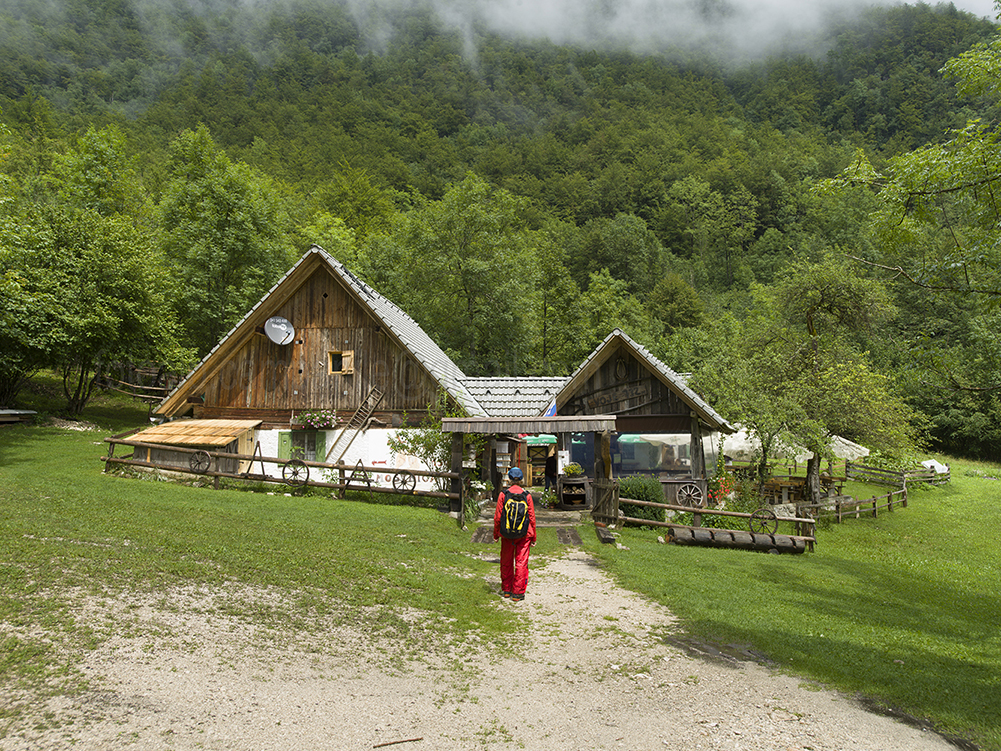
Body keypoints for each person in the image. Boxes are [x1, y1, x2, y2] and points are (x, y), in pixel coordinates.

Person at [493, 466, 536, 601]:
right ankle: (517, 593)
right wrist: (533, 536)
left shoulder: (503, 495)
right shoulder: (527, 495)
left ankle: (506, 589)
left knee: (506, 560)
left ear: (509, 479)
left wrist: (496, 534)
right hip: (524, 534)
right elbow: (532, 518)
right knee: (521, 562)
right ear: (522, 479)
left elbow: (498, 517)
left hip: (506, 533)